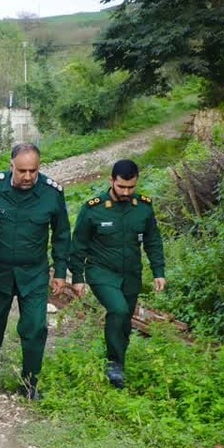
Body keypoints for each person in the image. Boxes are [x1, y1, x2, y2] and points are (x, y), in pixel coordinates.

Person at [0, 143, 71, 400]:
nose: (27, 176)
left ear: (39, 167)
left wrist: (60, 271)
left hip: (33, 272)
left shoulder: (51, 192)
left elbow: (62, 234)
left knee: (35, 327)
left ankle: (30, 381)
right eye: (22, 170)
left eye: (32, 171)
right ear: (11, 165)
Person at [68, 159, 166, 389]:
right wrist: (78, 278)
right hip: (101, 271)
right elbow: (78, 244)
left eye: (131, 187)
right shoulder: (94, 208)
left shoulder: (143, 206)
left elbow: (153, 241)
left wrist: (158, 272)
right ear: (111, 180)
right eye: (121, 186)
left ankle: (117, 365)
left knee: (125, 320)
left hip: (131, 274)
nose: (126, 191)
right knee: (118, 309)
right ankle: (114, 364)